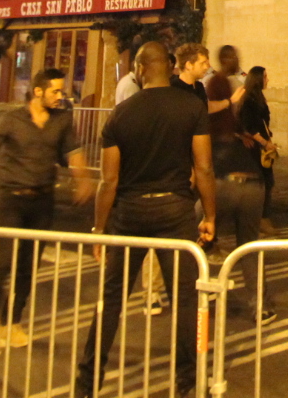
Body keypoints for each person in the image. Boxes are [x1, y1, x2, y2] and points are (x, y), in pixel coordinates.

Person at [77, 42, 214, 397]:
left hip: (131, 211)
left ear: (139, 69)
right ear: (169, 67)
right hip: (175, 208)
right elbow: (203, 167)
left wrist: (99, 228)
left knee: (111, 299)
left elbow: (109, 180)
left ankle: (87, 381)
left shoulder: (121, 114)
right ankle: (188, 382)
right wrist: (210, 215)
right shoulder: (191, 107)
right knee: (184, 298)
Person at [0, 67, 92, 345]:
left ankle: (13, 322)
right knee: (6, 261)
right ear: (38, 91)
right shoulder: (11, 120)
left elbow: (73, 151)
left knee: (29, 267)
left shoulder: (62, 120)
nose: (60, 95)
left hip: (42, 201)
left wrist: (84, 180)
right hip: (11, 200)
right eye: (55, 90)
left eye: (61, 90)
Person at [210, 63, 276, 324]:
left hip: (223, 184)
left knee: (191, 238)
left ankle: (200, 295)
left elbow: (203, 166)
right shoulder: (232, 118)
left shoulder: (206, 120)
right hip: (252, 185)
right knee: (248, 246)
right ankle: (261, 306)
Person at [239, 66, 277, 226]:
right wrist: (265, 142)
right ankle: (260, 219)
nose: (267, 80)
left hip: (262, 146)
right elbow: (250, 126)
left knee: (267, 182)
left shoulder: (258, 98)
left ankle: (262, 218)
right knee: (261, 183)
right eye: (265, 76)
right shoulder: (249, 100)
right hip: (255, 149)